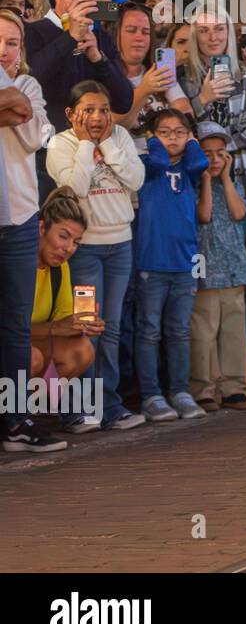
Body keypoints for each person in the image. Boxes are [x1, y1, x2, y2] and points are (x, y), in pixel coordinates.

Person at [46, 80, 146, 430]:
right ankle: (78, 408)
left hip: (120, 246)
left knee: (113, 327)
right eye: (88, 110)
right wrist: (87, 146)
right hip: (85, 252)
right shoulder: (60, 144)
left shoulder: (119, 137)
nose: (98, 116)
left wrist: (107, 144)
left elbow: (135, 180)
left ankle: (110, 405)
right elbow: (73, 188)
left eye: (103, 109)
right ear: (71, 113)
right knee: (87, 327)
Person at [0, 11, 63, 450]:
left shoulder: (29, 86)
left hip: (20, 220)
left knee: (16, 328)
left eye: (11, 43)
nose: (4, 50)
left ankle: (16, 420)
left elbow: (33, 133)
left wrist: (13, 105)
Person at [133, 109, 209, 422]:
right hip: (152, 261)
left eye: (180, 132)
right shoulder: (147, 165)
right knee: (149, 331)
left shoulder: (191, 167)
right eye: (165, 132)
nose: (173, 137)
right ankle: (151, 395)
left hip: (186, 262)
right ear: (152, 137)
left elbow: (200, 163)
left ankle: (180, 391)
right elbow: (162, 161)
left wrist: (192, 142)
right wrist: (153, 142)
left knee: (179, 331)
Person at [20, 188, 100, 449]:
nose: (68, 248)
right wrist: (57, 328)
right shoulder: (17, 262)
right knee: (30, 357)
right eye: (63, 236)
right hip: (14, 345)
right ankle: (14, 419)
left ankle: (22, 416)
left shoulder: (60, 268)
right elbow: (8, 330)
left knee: (82, 349)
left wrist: (81, 325)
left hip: (27, 343)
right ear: (42, 228)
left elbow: (64, 321)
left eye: (76, 242)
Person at [192, 122, 246, 410]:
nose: (215, 160)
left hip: (233, 266)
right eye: (208, 153)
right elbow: (203, 216)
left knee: (233, 329)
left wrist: (227, 179)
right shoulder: (192, 184)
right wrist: (206, 179)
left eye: (221, 154)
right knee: (203, 329)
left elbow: (240, 212)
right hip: (205, 267)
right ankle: (204, 387)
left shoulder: (234, 183)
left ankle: (235, 386)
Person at [24, 0, 133, 134]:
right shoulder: (31, 31)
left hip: (92, 142)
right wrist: (70, 37)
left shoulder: (101, 38)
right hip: (45, 140)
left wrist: (98, 59)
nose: (82, 5)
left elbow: (123, 102)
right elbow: (29, 80)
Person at [178, 5, 246, 203]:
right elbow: (176, 128)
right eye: (204, 30)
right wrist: (202, 100)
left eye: (219, 28)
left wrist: (218, 151)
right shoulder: (181, 76)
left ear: (228, 32)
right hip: (194, 176)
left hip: (240, 175)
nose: (213, 37)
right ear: (195, 36)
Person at [113, 2, 192, 148]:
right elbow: (113, 126)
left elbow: (185, 113)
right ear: (116, 34)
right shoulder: (105, 74)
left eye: (145, 32)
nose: (139, 37)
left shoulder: (159, 70)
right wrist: (144, 89)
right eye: (131, 30)